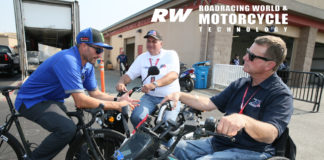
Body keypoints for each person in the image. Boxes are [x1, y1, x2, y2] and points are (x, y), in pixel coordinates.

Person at [161, 35, 294, 160]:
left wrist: (244, 120)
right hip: (219, 142)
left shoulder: (280, 94)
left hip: (252, 150)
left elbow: (271, 134)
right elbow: (209, 103)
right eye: (248, 52)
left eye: (252, 56)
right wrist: (179, 95)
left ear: (269, 65)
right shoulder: (241, 84)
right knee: (174, 149)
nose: (245, 57)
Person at [15, 28, 139, 160]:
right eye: (98, 50)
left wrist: (118, 99)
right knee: (66, 130)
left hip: (53, 100)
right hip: (31, 100)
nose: (100, 55)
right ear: (84, 46)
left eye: (102, 50)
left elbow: (95, 93)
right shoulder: (68, 60)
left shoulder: (88, 65)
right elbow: (80, 101)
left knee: (77, 136)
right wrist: (116, 106)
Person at [116, 30, 181, 128]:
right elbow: (129, 75)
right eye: (148, 41)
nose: (150, 44)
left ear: (161, 43)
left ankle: (168, 142)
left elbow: (173, 75)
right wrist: (121, 82)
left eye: (154, 41)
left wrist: (153, 84)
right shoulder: (142, 58)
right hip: (149, 97)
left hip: (170, 96)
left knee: (167, 124)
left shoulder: (170, 54)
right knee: (136, 117)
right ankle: (147, 137)